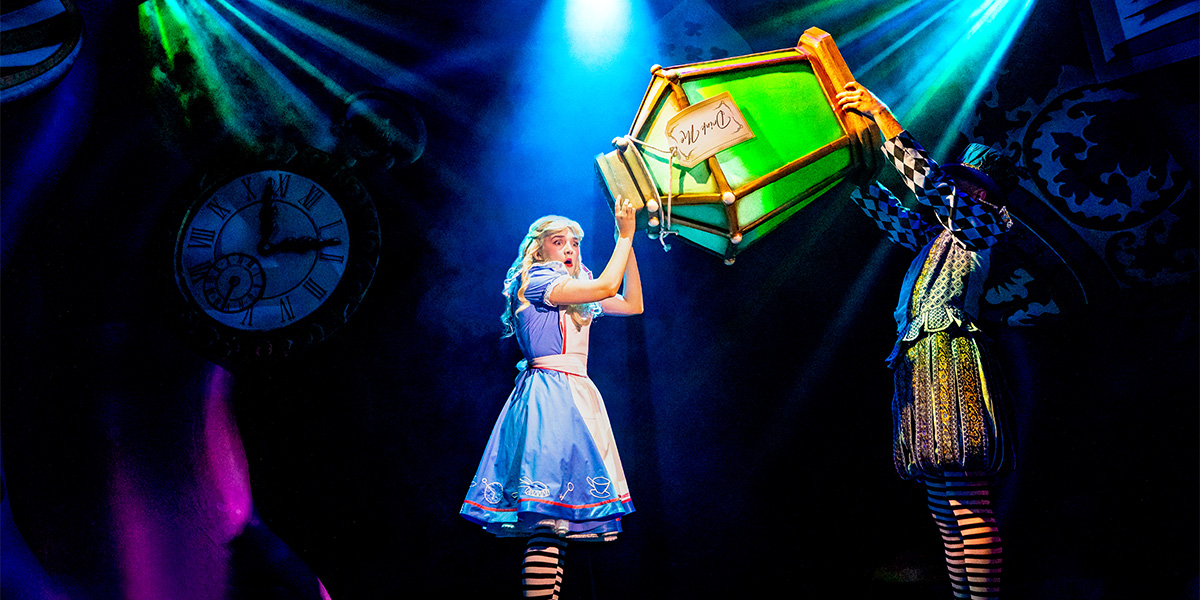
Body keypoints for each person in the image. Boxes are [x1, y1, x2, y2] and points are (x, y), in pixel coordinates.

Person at [838, 81, 1024, 600]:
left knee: (966, 497)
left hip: (951, 355)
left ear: (982, 193)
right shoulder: (939, 235)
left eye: (968, 184)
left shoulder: (983, 226)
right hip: (920, 357)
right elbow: (890, 213)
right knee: (943, 503)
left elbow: (931, 185)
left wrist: (881, 115)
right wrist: (856, 170)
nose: (957, 189)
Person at [461, 199, 643, 600]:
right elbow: (606, 287)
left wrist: (622, 243)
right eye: (559, 241)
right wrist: (626, 235)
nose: (569, 249)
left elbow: (632, 304)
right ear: (538, 248)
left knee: (558, 522)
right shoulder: (538, 281)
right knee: (547, 519)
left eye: (574, 243)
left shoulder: (574, 288)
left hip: (575, 391)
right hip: (550, 393)